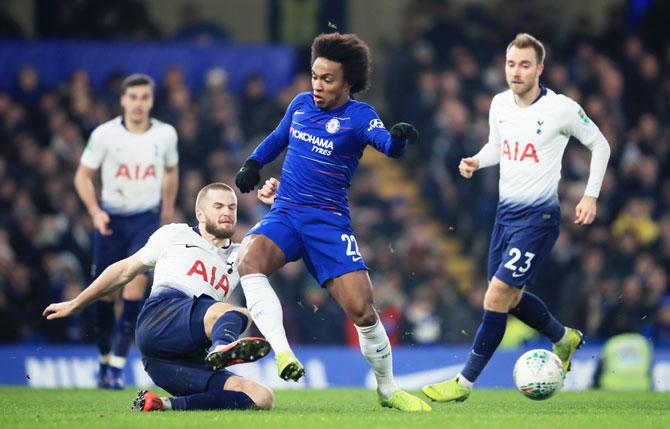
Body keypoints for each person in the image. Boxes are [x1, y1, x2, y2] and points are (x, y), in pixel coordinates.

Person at [234, 32, 431, 412]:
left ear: (348, 83)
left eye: (327, 79)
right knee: (248, 259)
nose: (318, 85)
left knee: (362, 310)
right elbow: (278, 137)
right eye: (314, 76)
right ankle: (282, 352)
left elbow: (386, 144)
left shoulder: (359, 117)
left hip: (328, 224)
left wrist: (400, 139)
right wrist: (253, 163)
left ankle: (388, 390)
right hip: (287, 214)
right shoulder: (301, 104)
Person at [422, 33, 611, 402]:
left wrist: (591, 195)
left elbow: (600, 144)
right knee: (508, 298)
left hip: (538, 218)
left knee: (494, 297)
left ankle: (463, 384)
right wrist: (478, 159)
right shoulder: (499, 104)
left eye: (525, 65)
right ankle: (563, 337)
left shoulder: (562, 109)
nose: (516, 71)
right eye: (511, 64)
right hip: (504, 217)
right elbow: (498, 145)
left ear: (540, 69)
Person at [43, 183, 274, 412]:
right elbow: (124, 270)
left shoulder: (240, 255)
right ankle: (222, 348)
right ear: (200, 214)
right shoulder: (175, 233)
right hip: (161, 319)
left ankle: (163, 404)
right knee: (236, 312)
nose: (227, 212)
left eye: (232, 207)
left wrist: (279, 206)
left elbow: (280, 241)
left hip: (170, 362)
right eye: (218, 206)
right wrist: (77, 303)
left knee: (261, 396)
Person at [73, 74, 179, 389]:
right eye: (133, 97)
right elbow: (82, 176)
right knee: (105, 293)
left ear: (152, 100)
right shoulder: (105, 135)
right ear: (123, 100)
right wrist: (95, 212)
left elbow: (171, 171)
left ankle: (118, 366)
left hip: (145, 218)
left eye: (144, 97)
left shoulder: (165, 134)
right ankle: (104, 361)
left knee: (134, 286)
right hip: (111, 220)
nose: (138, 103)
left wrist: (166, 210)